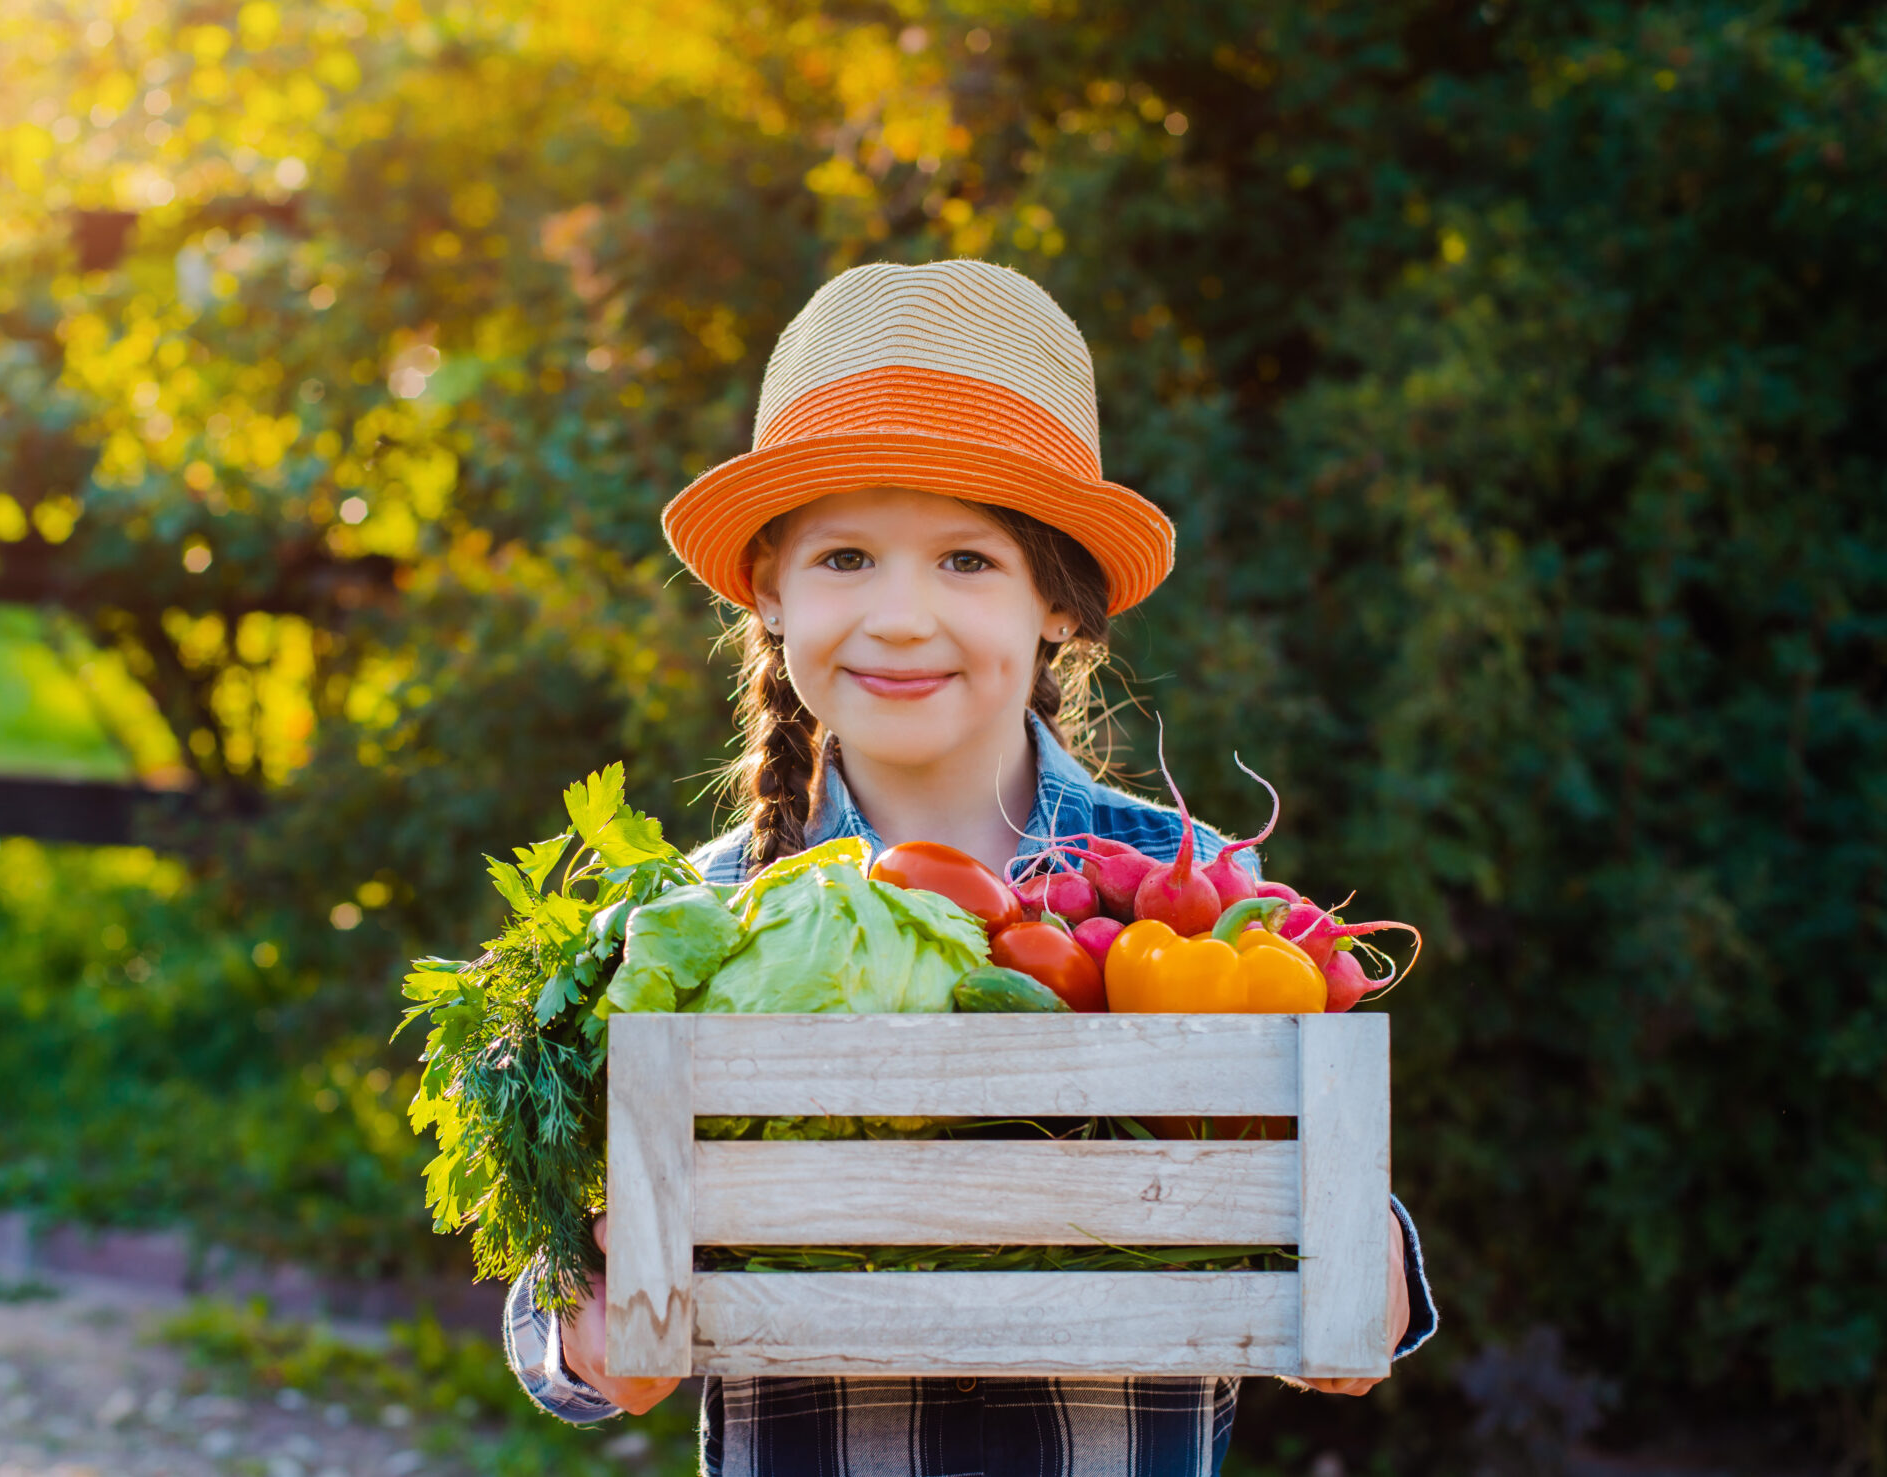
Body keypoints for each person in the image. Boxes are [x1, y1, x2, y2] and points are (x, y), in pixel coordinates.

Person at [501, 260, 1438, 1475]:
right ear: (770, 595)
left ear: (1058, 604)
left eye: (966, 560)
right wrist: (587, 1328)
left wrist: (1373, 1265)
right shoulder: (693, 921)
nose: (898, 615)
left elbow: (1311, 1183)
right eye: (845, 558)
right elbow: (560, 1288)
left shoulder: (1191, 889)